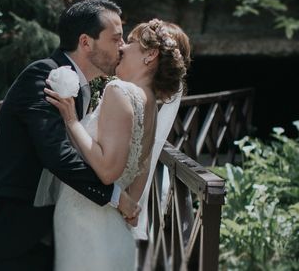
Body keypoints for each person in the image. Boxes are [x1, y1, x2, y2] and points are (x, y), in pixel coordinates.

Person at [0, 0, 140, 270]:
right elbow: (56, 153)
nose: (122, 47)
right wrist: (115, 196)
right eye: (116, 39)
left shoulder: (82, 89)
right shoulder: (42, 77)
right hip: (12, 235)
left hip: (48, 233)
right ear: (86, 42)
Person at [43, 18, 190, 270]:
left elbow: (108, 171)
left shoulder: (119, 92)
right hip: (112, 232)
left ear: (150, 55)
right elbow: (136, 187)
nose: (122, 47)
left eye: (131, 42)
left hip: (87, 229)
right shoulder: (151, 106)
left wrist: (71, 120)